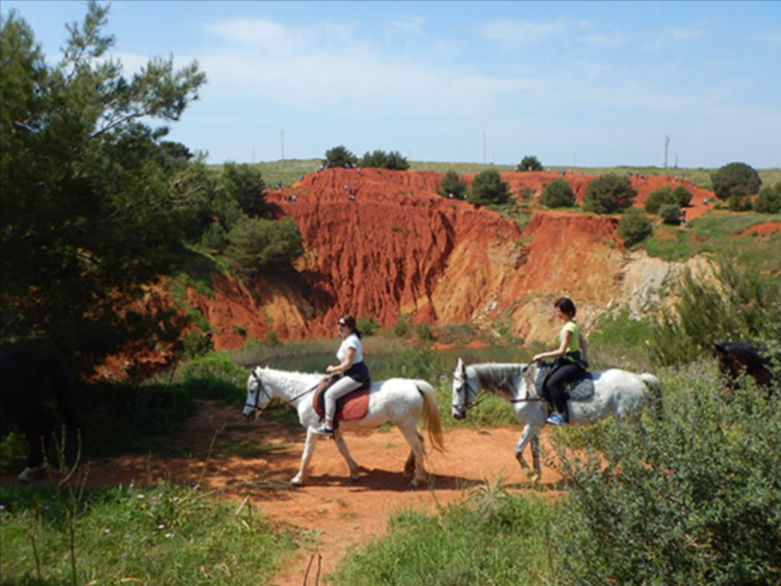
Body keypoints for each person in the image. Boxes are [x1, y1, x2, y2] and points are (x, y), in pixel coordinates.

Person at [532, 297, 589, 426]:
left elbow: (562, 351)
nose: (557, 314)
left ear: (567, 311)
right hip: (568, 361)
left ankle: (561, 414)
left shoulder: (569, 328)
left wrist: (542, 355)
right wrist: (585, 359)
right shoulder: (571, 325)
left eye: (559, 311)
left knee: (552, 383)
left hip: (570, 363)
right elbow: (584, 342)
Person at [312, 315, 370, 436]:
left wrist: (333, 368)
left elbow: (348, 364)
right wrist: (335, 373)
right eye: (338, 323)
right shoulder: (346, 339)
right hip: (350, 372)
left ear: (350, 327)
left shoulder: (352, 341)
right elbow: (345, 365)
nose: (339, 326)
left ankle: (328, 426)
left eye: (342, 324)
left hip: (356, 375)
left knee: (330, 394)